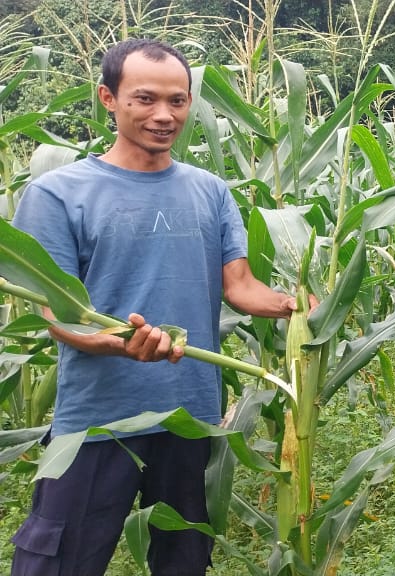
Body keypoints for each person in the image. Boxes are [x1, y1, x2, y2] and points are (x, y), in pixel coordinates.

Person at [9, 39, 306, 576]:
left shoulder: (210, 191)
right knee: (57, 562)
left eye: (178, 100)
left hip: (190, 419)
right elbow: (56, 316)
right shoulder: (58, 194)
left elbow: (239, 287)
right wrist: (116, 344)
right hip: (98, 422)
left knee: (185, 559)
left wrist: (295, 305)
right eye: (145, 99)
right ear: (108, 97)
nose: (164, 115)